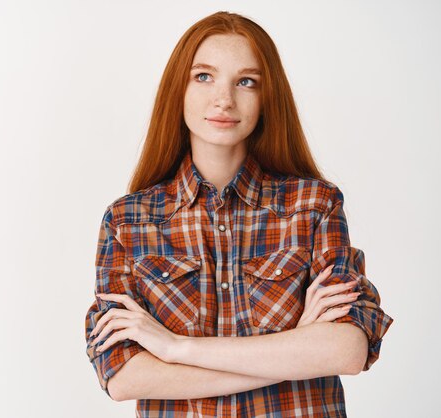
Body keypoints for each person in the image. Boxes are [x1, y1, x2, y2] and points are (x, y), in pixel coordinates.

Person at [84, 11, 393, 417]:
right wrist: (294, 348)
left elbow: (348, 349)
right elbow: (124, 376)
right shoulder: (127, 222)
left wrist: (177, 348)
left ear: (268, 97)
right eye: (204, 76)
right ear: (178, 88)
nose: (224, 99)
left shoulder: (314, 206)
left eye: (246, 81)